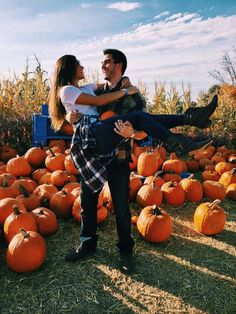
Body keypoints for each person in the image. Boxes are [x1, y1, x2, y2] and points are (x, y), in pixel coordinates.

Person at [48, 54, 217, 271]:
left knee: (121, 204)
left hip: (118, 154)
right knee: (88, 203)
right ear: (70, 69)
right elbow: (87, 104)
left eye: (107, 62)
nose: (100, 66)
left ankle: (126, 252)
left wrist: (131, 133)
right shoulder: (96, 91)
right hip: (94, 147)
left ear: (118, 66)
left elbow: (146, 127)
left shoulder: (124, 95)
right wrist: (72, 115)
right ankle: (87, 243)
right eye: (100, 63)